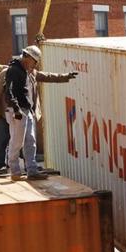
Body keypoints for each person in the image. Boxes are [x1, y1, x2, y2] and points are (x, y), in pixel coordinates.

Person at [5, 45, 77, 181]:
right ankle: (15, 172)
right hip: (17, 111)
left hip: (27, 111)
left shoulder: (29, 71)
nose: (36, 64)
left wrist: (65, 76)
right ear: (27, 58)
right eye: (35, 61)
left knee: (30, 142)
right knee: (17, 142)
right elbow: (8, 92)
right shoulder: (13, 70)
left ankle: (32, 171)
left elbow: (47, 76)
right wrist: (16, 109)